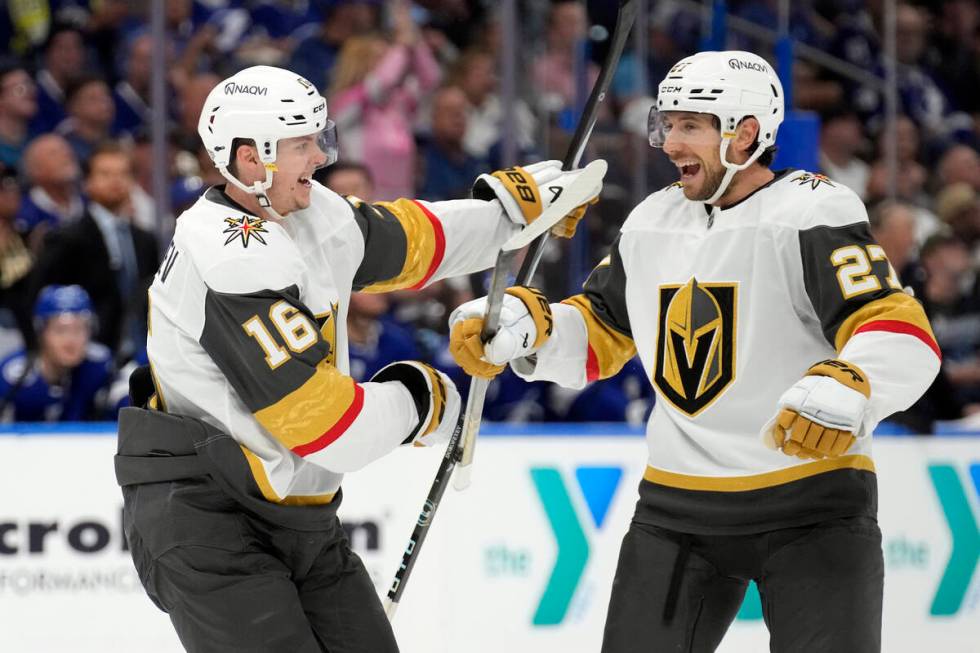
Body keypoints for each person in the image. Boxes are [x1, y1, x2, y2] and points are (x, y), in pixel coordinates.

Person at [449, 50, 940, 652]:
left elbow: (897, 327)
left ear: (747, 134)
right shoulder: (652, 219)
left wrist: (854, 380)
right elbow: (603, 333)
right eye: (667, 123)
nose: (667, 142)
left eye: (690, 126)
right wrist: (535, 329)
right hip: (676, 511)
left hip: (812, 506)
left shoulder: (812, 210)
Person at [114, 64, 602, 652]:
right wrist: (422, 398)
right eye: (302, 145)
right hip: (207, 518)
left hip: (297, 514)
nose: (320, 157)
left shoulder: (303, 208)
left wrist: (512, 216)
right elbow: (325, 426)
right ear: (250, 159)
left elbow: (414, 241)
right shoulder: (227, 261)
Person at [32, 142, 160, 358]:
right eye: (105, 174)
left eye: (123, 173)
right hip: (83, 356)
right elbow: (39, 300)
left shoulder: (145, 241)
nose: (115, 181)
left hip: (144, 355)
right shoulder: (66, 239)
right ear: (87, 182)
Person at [0, 285, 113, 421]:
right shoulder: (14, 376)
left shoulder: (100, 365)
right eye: (60, 330)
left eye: (79, 329)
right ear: (41, 333)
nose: (70, 340)